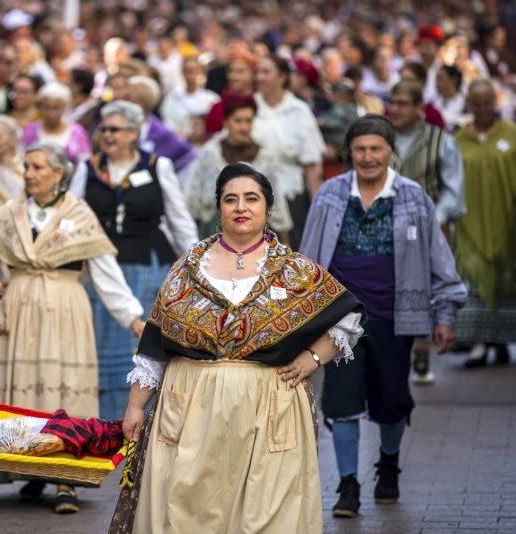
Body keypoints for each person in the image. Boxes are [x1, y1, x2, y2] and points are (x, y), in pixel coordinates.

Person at [110, 163, 364, 533]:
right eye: (231, 199)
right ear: (219, 209)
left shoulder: (295, 270)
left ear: (268, 208)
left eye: (251, 199)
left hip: (269, 405)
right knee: (186, 511)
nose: (240, 207)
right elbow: (155, 345)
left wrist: (312, 358)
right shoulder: (187, 268)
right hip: (192, 408)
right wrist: (135, 406)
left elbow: (348, 315)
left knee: (267, 511)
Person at [0, 142, 144, 513]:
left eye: (38, 167)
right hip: (18, 307)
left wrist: (132, 318)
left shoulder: (80, 215)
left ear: (59, 173)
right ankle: (28, 468)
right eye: (26, 166)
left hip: (64, 309)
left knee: (63, 392)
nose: (29, 173)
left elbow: (107, 275)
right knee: (21, 393)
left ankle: (65, 478)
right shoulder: (11, 213)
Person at [299, 115, 467, 518]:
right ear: (349, 153)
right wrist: (301, 318)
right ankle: (347, 485)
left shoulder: (413, 197)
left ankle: (388, 464)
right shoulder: (329, 195)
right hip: (340, 320)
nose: (368, 157)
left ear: (390, 151)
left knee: (392, 403)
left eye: (376, 149)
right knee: (341, 403)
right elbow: (305, 264)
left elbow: (440, 262)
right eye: (360, 149)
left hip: (396, 317)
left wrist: (445, 315)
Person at [69, 100, 198, 420]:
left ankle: (143, 414)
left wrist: (197, 265)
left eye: (114, 129)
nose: (107, 135)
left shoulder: (158, 166)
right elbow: (69, 217)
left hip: (148, 265)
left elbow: (179, 219)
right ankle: (103, 419)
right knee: (102, 344)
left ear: (133, 133)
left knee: (142, 340)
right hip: (98, 269)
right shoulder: (87, 168)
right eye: (103, 129)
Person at [387, 79, 466, 384]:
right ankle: (399, 347)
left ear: (419, 108)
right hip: (387, 224)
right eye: (392, 103)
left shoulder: (440, 140)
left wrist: (439, 217)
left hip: (430, 226)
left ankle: (421, 345)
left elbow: (453, 188)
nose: (395, 109)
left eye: (402, 103)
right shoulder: (381, 138)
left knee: (428, 286)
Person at [454, 80, 516, 367]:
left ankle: (500, 341)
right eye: (476, 104)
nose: (482, 109)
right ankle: (478, 344)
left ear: (495, 103)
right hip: (469, 226)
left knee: (505, 282)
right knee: (473, 280)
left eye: (487, 103)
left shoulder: (512, 137)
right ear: (469, 105)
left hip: (510, 227)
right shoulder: (460, 138)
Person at [185, 93, 292, 239]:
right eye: (238, 121)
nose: (244, 127)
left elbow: (277, 200)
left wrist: (284, 240)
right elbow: (195, 197)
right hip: (216, 231)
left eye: (248, 121)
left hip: (258, 233)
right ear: (226, 121)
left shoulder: (266, 155)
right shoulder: (211, 153)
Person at [252, 54, 325, 249]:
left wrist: (317, 207)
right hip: (254, 194)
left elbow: (311, 164)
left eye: (266, 72)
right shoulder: (250, 106)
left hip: (291, 193)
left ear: (282, 77)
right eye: (258, 72)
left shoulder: (299, 110)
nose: (259, 77)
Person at [126, 76, 198, 178]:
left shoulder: (161, 133)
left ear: (141, 103)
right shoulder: (112, 126)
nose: (120, 101)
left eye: (127, 98)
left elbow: (187, 157)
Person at [21, 81, 92, 165]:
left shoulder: (77, 131)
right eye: (47, 107)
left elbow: (85, 161)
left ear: (64, 107)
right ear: (40, 107)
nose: (52, 113)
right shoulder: (30, 130)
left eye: (56, 107)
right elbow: (21, 157)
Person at [160, 56, 220, 139]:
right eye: (187, 70)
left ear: (201, 72)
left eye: (194, 70)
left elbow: (216, 126)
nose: (190, 74)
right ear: (182, 73)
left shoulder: (212, 99)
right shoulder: (171, 98)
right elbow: (167, 123)